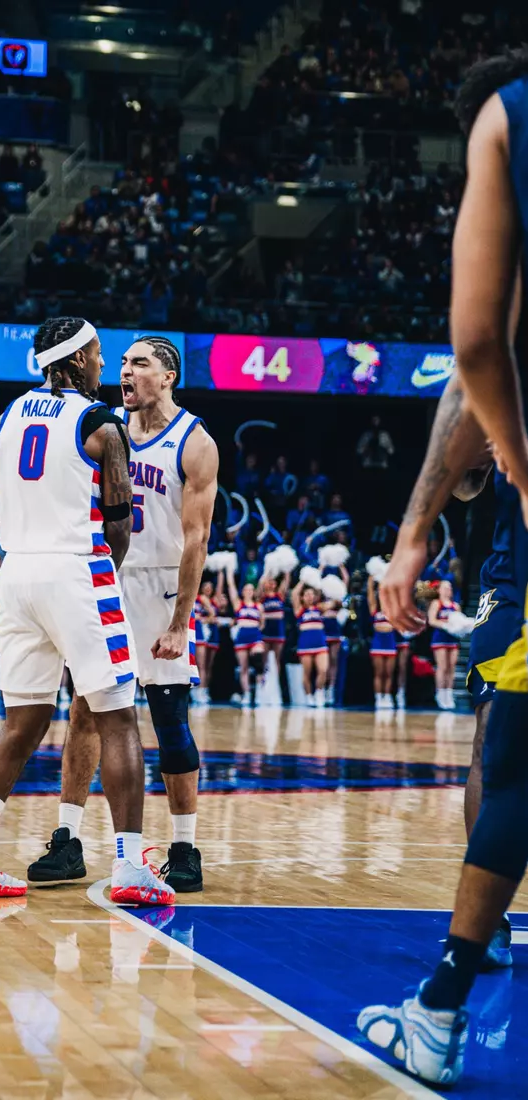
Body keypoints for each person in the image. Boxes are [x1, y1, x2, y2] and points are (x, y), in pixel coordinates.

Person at [359, 53, 528, 1084]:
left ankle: (441, 1001)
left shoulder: (507, 120)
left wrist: (418, 525)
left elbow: (477, 347)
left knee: (510, 761)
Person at [0, 317, 173, 906]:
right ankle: (130, 867)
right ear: (74, 359)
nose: (104, 365)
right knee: (117, 716)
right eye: (97, 355)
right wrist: (104, 580)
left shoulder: (10, 416)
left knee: (21, 726)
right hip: (78, 569)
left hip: (16, 576)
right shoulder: (102, 424)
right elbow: (119, 526)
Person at [28, 336, 218, 893]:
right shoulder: (102, 428)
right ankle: (68, 841)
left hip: (161, 589)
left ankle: (184, 848)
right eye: (125, 363)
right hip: (105, 582)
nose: (126, 372)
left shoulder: (193, 440)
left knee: (169, 719)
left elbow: (196, 540)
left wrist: (181, 622)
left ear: (168, 375)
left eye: (140, 363)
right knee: (84, 713)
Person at [291, 579, 328, 707]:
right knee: (306, 672)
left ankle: (318, 692)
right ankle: (308, 696)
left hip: (320, 643)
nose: (309, 597)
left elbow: (335, 601)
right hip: (305, 644)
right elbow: (294, 594)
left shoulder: (320, 608)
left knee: (323, 670)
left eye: (311, 594)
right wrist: (304, 578)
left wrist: (316, 576)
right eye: (306, 594)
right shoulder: (300, 610)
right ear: (302, 597)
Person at [428, 579, 461, 710]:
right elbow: (431, 620)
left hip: (452, 638)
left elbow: (459, 621)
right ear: (439, 590)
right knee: (442, 666)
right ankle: (440, 693)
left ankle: (449, 693)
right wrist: (445, 625)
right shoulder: (436, 603)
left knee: (451, 666)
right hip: (440, 638)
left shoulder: (455, 605)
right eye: (445, 588)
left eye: (450, 588)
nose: (448, 590)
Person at [230, 582, 265, 707]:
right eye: (247, 589)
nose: (249, 591)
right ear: (243, 591)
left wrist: (256, 630)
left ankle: (260, 692)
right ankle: (247, 694)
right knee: (243, 667)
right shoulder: (239, 604)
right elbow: (231, 588)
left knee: (259, 659)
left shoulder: (259, 606)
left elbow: (262, 622)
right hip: (242, 637)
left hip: (255, 636)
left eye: (251, 589)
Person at [367, 574, 396, 710]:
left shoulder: (393, 609)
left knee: (389, 673)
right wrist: (372, 578)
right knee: (379, 673)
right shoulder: (375, 609)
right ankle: (379, 697)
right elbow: (370, 595)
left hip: (390, 643)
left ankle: (387, 696)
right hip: (378, 643)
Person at [259, 571, 290, 673]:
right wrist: (268, 570)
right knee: (264, 659)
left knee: (277, 659)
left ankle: (275, 683)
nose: (271, 584)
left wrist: (286, 569)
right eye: (269, 582)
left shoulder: (279, 595)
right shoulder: (262, 597)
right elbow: (260, 586)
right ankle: (264, 682)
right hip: (266, 630)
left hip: (278, 630)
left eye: (273, 582)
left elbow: (286, 582)